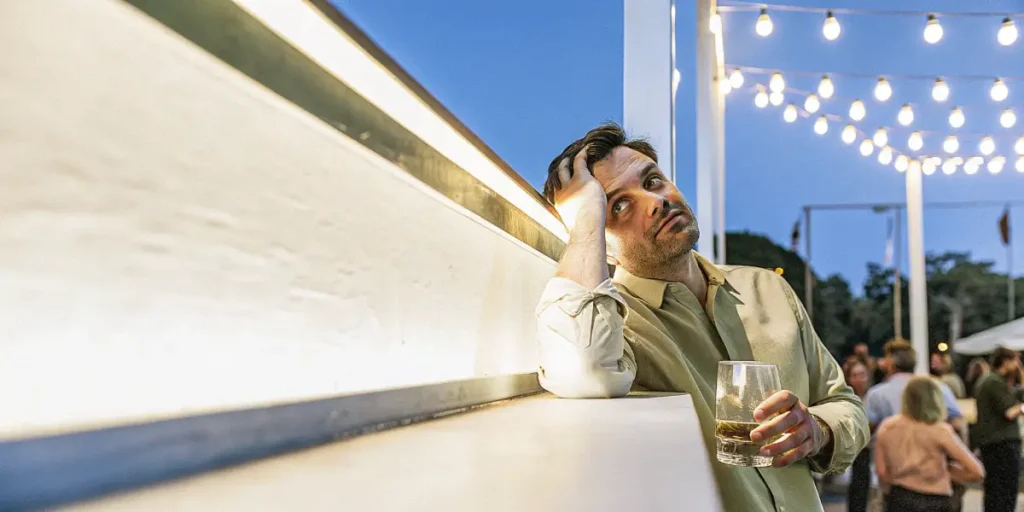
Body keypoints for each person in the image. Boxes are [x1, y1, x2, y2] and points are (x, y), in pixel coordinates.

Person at [535, 123, 869, 512]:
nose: (655, 201)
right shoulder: (618, 325)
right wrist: (584, 223)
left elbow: (845, 403)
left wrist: (818, 430)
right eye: (618, 206)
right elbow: (583, 370)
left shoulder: (767, 288)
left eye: (654, 180)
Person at [874, 376, 984, 512]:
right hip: (934, 500)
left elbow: (881, 471)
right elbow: (977, 472)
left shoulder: (887, 427)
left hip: (899, 497)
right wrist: (948, 474)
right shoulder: (940, 430)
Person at [973, 347, 1024, 512]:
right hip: (1002, 443)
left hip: (992, 443)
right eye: (1015, 360)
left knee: (995, 491)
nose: (1017, 365)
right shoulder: (994, 382)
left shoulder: (989, 381)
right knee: (1006, 491)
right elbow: (1010, 412)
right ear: (1006, 361)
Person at [843, 359, 873, 512]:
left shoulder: (874, 396)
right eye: (855, 375)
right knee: (859, 485)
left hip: (873, 447)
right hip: (859, 449)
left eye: (862, 374)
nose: (860, 378)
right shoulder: (847, 400)